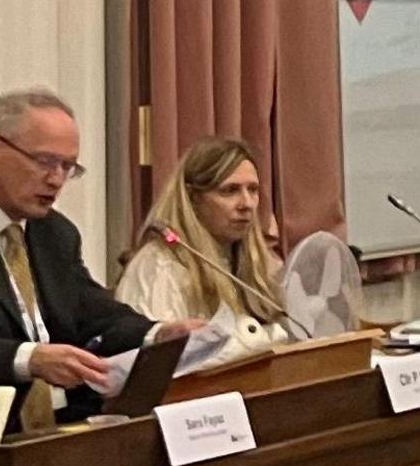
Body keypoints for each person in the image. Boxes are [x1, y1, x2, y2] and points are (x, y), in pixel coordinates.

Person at [0, 88, 194, 434]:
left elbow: (91, 309)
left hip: (69, 423)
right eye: (45, 162)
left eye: (68, 167)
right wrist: (30, 359)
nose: (56, 180)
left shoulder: (55, 233)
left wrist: (157, 332)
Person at [116, 136, 292, 369]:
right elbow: (159, 364)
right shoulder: (159, 266)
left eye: (253, 190)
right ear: (193, 198)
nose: (247, 203)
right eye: (230, 191)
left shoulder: (259, 262)